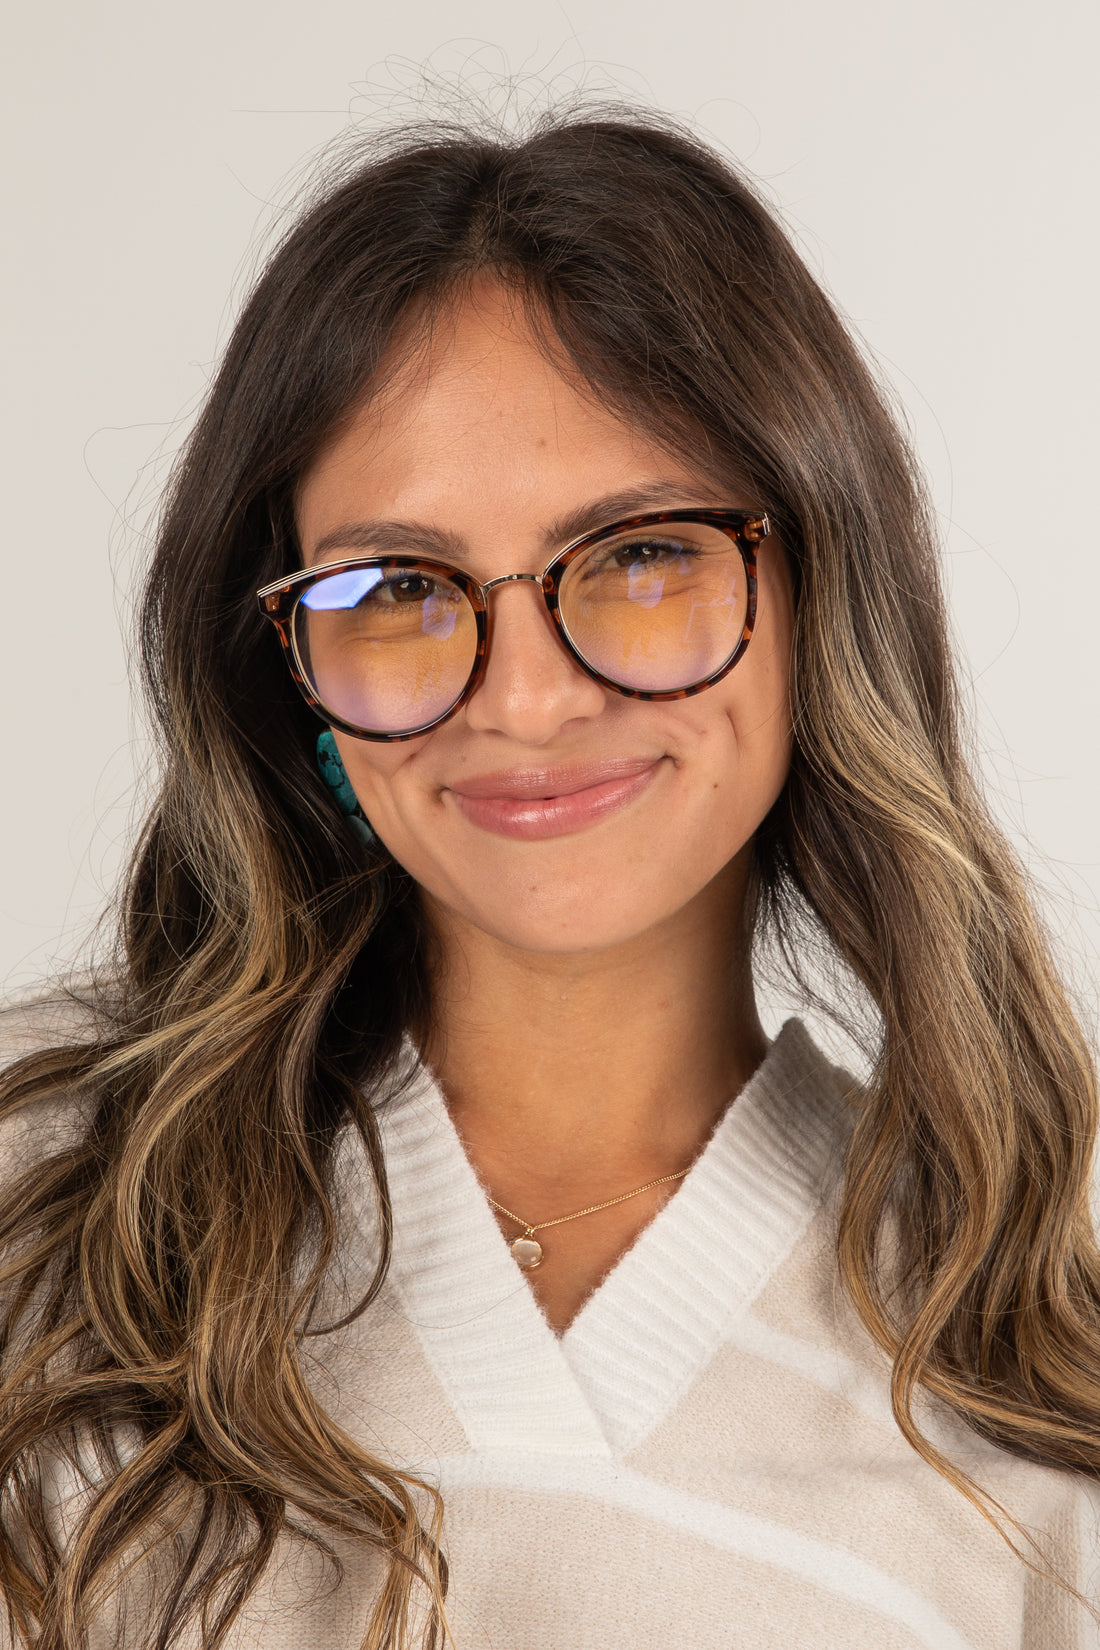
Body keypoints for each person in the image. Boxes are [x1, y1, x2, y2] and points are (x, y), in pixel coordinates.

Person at [1, 106, 1098, 1650]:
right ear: (290, 667)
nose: (521, 700)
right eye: (395, 587)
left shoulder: (1040, 1386)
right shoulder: (43, 1225)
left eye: (642, 555)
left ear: (817, 584)